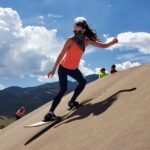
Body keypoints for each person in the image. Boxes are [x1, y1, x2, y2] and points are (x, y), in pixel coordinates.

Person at [43, 17, 118, 122]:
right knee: (63, 89)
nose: (75, 32)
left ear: (83, 30)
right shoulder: (70, 40)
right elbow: (61, 55)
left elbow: (103, 45)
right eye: (74, 30)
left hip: (73, 69)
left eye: (78, 30)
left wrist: (112, 42)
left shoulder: (86, 42)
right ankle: (50, 113)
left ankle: (72, 102)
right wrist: (53, 69)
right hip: (63, 68)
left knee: (83, 82)